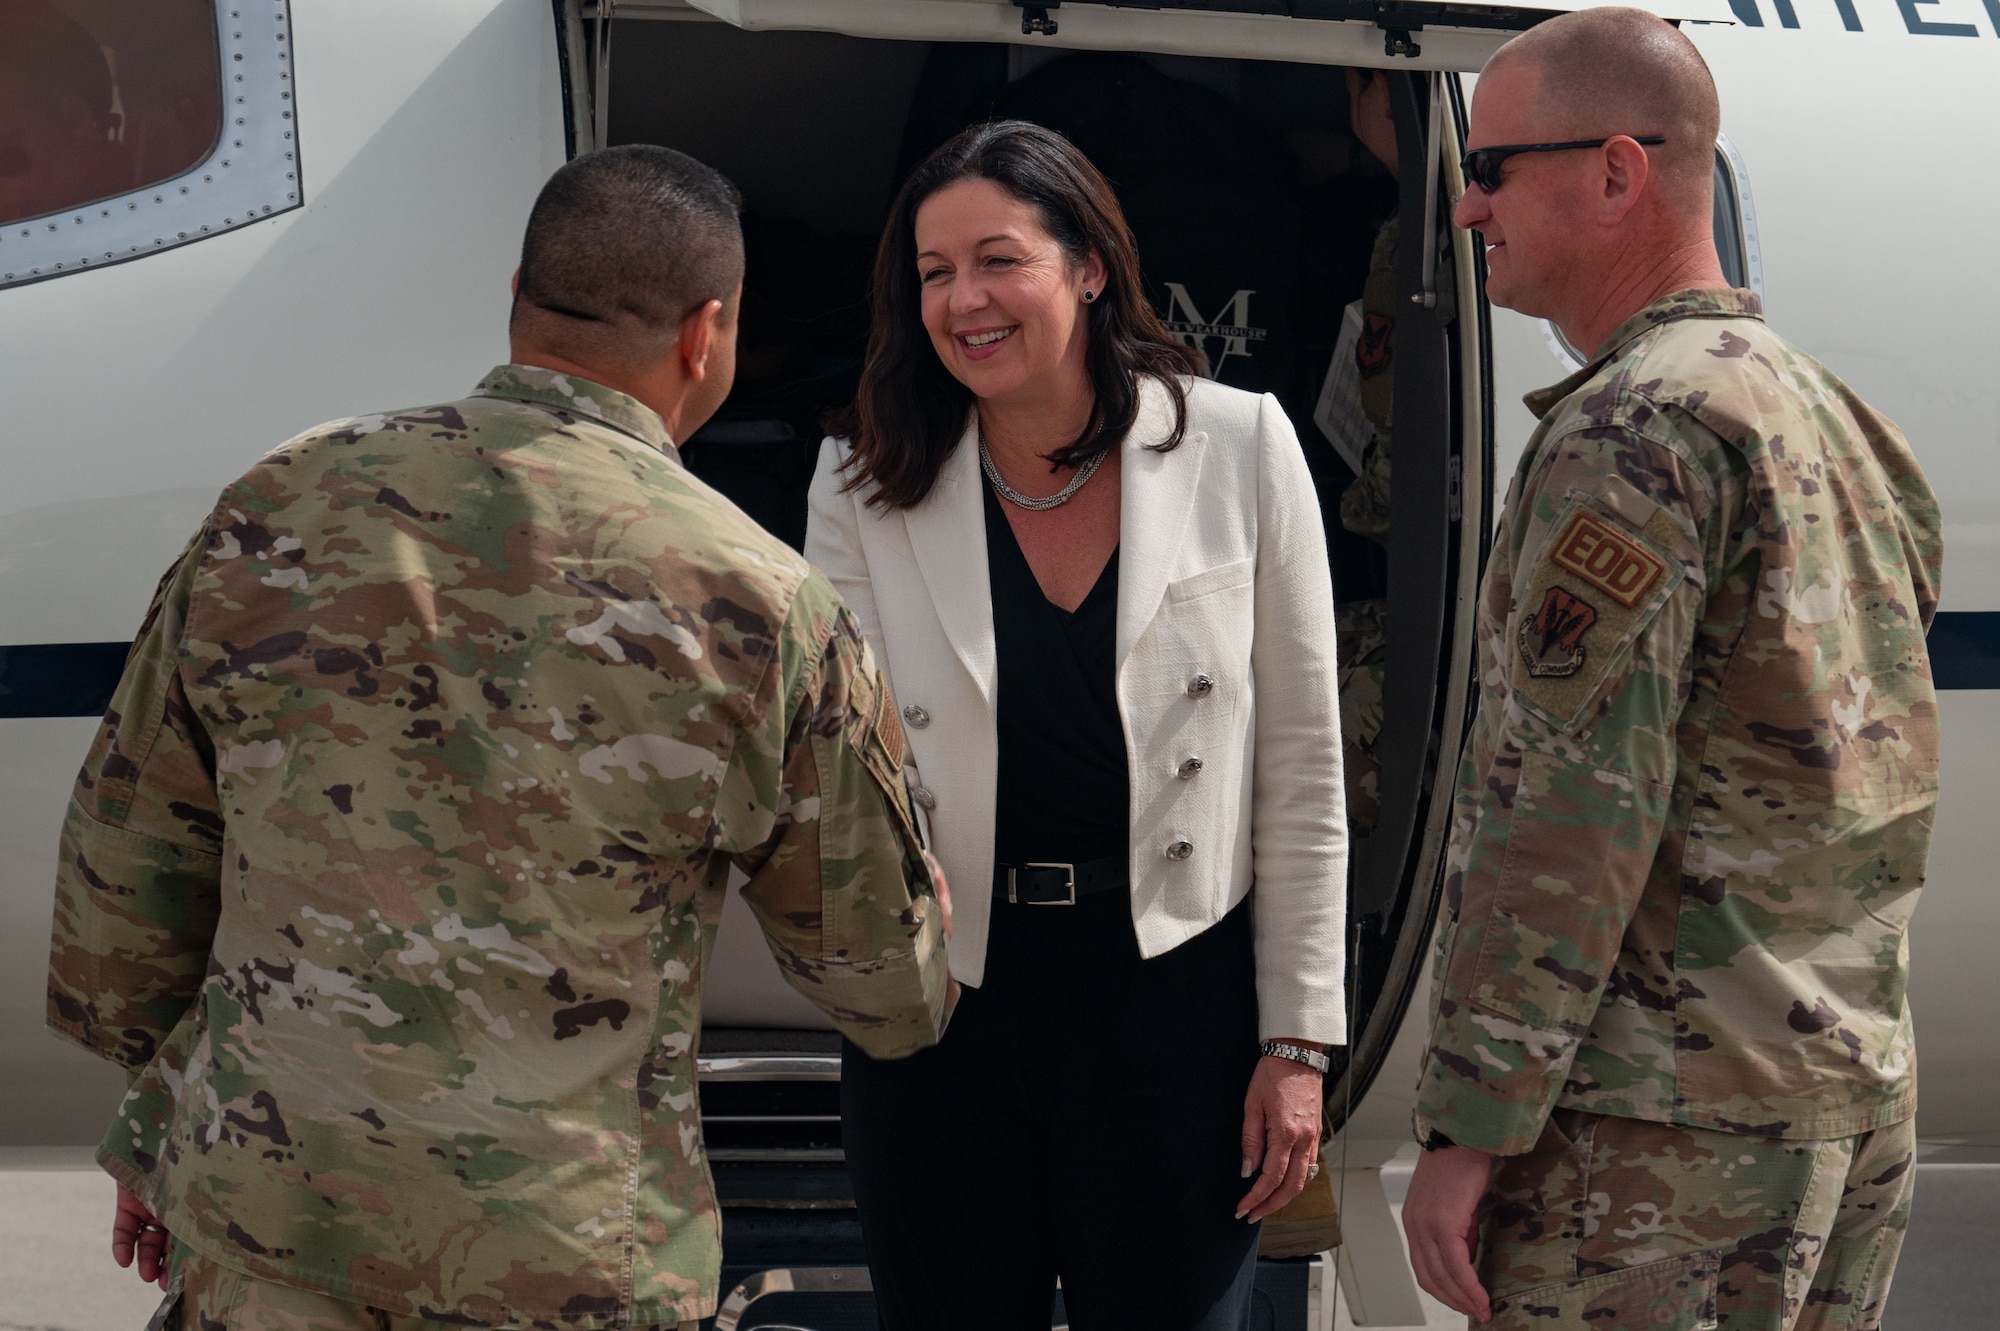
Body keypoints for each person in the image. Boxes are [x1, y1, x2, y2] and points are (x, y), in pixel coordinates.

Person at [45, 145, 954, 1331]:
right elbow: (886, 987)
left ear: (516, 293)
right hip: (562, 1266)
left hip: (272, 1233)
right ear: (706, 334)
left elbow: (117, 916)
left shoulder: (275, 504)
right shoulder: (760, 602)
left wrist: (178, 1118)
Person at [1401, 11, 1940, 1330]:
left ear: (1617, 171)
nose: (1466, 210)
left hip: (1659, 1130)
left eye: (1489, 170)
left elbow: (1570, 805)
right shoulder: (1832, 414)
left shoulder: (1633, 431)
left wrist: (1473, 1116)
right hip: (1832, 1096)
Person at [807, 120, 1349, 1330]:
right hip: (942, 1004)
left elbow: (1303, 765)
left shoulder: (1238, 443)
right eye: (933, 272)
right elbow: (838, 765)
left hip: (1174, 998)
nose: (962, 299)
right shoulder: (862, 475)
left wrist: (1298, 1044)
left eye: (997, 259)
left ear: (1090, 264)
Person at [1323, 65, 1402, 834]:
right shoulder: (1406, 223)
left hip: (1404, 557)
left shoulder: (1414, 239)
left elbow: (1387, 412)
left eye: (1369, 77)